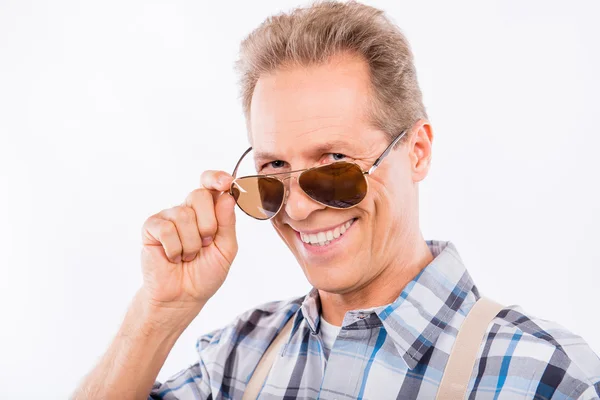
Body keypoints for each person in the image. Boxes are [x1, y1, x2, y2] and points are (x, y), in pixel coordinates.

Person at [73, 1, 600, 399]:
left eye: (334, 166)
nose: (299, 209)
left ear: (416, 151)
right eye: (274, 170)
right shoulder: (237, 359)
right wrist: (160, 312)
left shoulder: (543, 376)